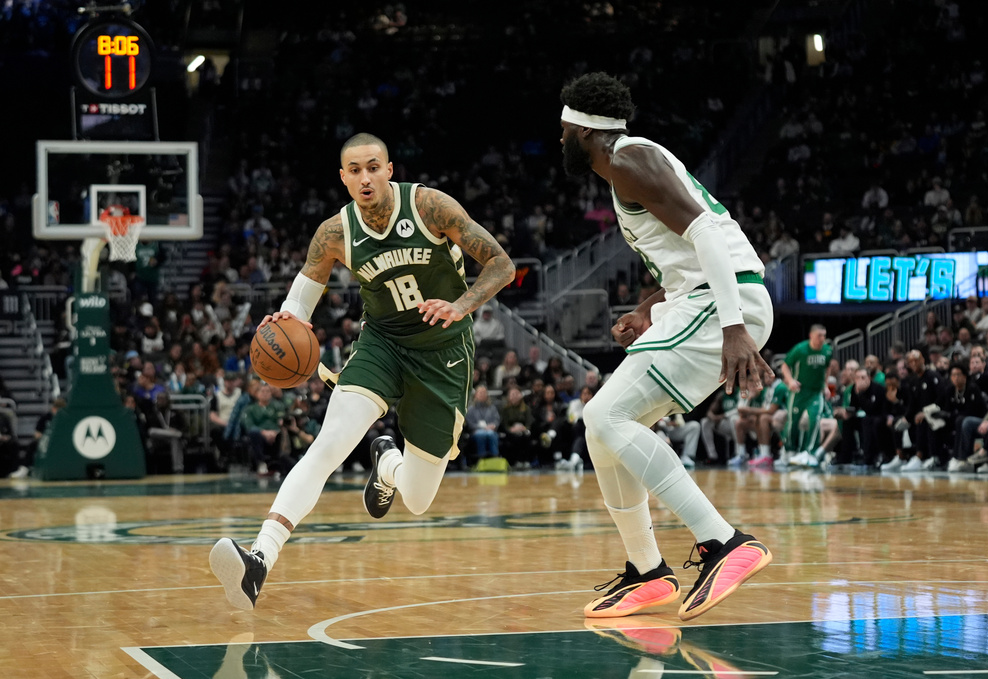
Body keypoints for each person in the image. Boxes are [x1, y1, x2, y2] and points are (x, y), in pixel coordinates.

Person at [210, 132, 515, 611]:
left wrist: (461, 305)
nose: (365, 177)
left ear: (389, 169)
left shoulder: (430, 207)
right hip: (383, 344)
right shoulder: (335, 232)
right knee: (328, 444)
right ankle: (259, 559)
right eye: (355, 170)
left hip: (443, 353)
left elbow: (501, 264)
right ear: (343, 178)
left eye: (373, 167)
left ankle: (387, 461)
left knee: (417, 499)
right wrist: (286, 319)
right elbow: (303, 295)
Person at [559, 73, 774, 623]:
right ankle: (647, 572)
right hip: (699, 299)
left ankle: (724, 543)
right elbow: (688, 254)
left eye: (563, 127)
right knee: (605, 427)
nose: (559, 136)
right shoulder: (623, 166)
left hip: (725, 303)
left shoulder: (630, 159)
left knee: (606, 414)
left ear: (583, 130)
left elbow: (707, 232)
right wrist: (649, 307)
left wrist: (732, 327)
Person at [780, 325, 833, 466]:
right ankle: (789, 450)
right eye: (819, 335)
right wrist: (790, 380)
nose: (822, 339)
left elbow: (828, 368)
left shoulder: (827, 351)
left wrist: (825, 385)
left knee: (814, 420)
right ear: (811, 335)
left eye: (824, 335)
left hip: (816, 392)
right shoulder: (800, 349)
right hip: (799, 392)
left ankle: (810, 452)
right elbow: (785, 365)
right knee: (793, 422)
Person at [466, 384, 500, 459]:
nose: (482, 394)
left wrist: (493, 426)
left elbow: (496, 420)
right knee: (481, 435)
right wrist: (482, 427)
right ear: (475, 395)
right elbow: (469, 423)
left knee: (491, 434)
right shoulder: (470, 409)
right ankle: (481, 458)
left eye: (484, 392)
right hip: (476, 430)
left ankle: (495, 457)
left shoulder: (492, 408)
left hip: (490, 430)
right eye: (480, 392)